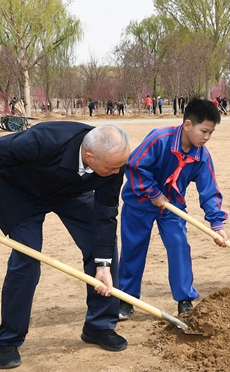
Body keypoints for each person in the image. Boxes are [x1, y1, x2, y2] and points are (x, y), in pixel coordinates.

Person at [0, 122, 131, 368]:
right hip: (19, 192)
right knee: (27, 258)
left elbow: (106, 212)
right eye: (112, 167)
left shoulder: (114, 163)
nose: (117, 172)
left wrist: (103, 265)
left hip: (69, 192)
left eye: (119, 166)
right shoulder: (43, 140)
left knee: (103, 243)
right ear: (90, 156)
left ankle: (99, 326)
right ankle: (8, 338)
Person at [118, 98, 229, 319]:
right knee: (133, 249)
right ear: (188, 125)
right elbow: (134, 166)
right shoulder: (160, 138)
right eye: (204, 131)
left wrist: (217, 224)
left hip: (172, 206)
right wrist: (153, 193)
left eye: (211, 133)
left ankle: (185, 299)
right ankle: (126, 299)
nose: (206, 137)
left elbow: (209, 190)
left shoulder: (202, 155)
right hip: (139, 203)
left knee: (179, 246)